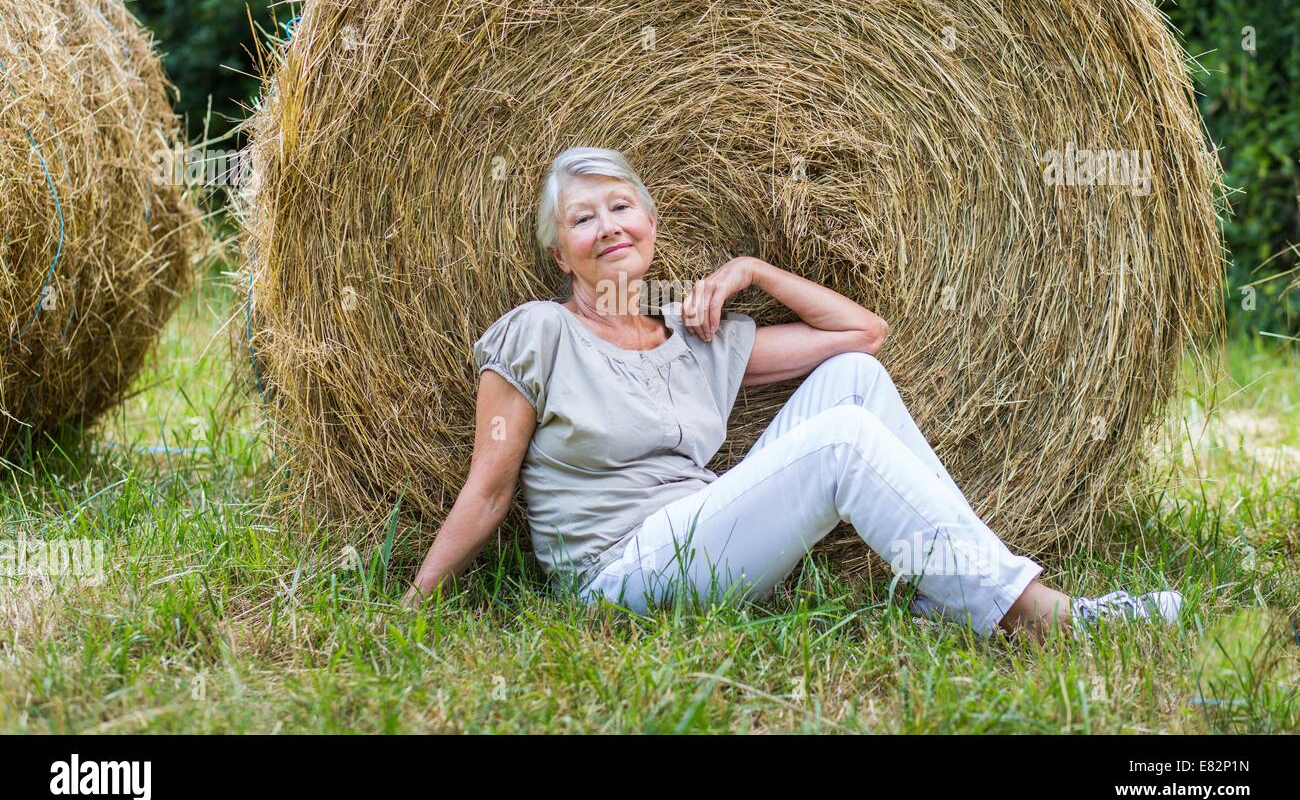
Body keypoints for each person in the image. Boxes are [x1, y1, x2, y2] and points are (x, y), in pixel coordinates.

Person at [402, 147, 1183, 640]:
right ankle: (1037, 614)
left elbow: (861, 337)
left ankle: (962, 592)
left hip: (701, 537)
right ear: (558, 251)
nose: (608, 225)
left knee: (853, 385)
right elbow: (489, 488)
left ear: (649, 220)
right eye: (582, 217)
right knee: (841, 444)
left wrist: (752, 271)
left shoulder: (691, 335)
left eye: (620, 205)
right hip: (619, 574)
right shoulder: (539, 332)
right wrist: (415, 605)